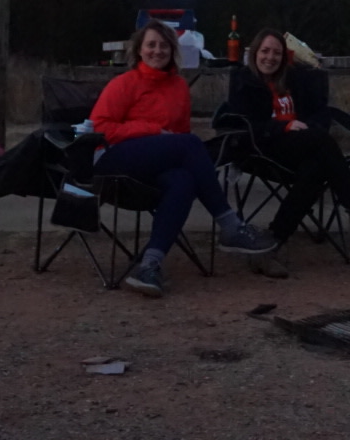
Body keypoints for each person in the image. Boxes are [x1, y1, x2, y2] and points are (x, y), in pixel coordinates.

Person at [87, 20, 277, 297]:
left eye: (164, 46)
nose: (157, 51)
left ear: (172, 51)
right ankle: (230, 225)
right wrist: (152, 130)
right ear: (139, 50)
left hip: (152, 170)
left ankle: (150, 267)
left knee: (184, 179)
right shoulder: (124, 84)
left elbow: (179, 141)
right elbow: (99, 127)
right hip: (115, 162)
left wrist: (167, 141)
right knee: (189, 143)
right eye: (151, 45)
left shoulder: (178, 87)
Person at [225, 29, 350, 277]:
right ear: (255, 53)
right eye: (265, 51)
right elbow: (242, 125)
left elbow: (321, 112)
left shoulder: (294, 79)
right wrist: (285, 126)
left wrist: (308, 128)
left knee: (315, 167)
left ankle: (269, 247)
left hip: (302, 146)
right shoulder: (243, 81)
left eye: (277, 53)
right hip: (262, 149)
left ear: (284, 57)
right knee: (323, 145)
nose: (270, 57)